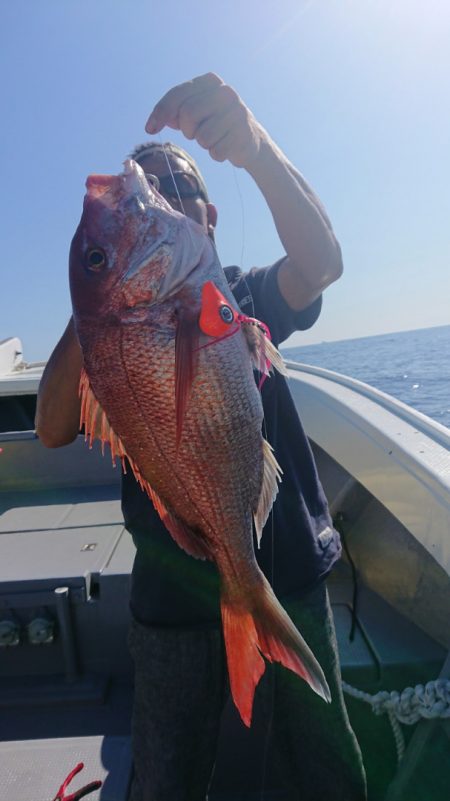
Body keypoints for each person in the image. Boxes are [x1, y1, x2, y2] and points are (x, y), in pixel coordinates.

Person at [36, 73, 367, 801]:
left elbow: (322, 264)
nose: (155, 192)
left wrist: (253, 146)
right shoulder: (106, 333)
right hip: (170, 589)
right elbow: (51, 428)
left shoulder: (241, 296)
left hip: (286, 567)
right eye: (146, 185)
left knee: (323, 767)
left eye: (175, 186)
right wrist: (99, 290)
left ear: (209, 217)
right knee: (165, 777)